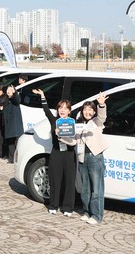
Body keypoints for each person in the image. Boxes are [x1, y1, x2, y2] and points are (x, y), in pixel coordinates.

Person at [32, 88, 77, 216]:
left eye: (65, 108)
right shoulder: (54, 121)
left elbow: (77, 138)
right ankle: (53, 205)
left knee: (69, 181)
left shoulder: (73, 123)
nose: (62, 110)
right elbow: (46, 111)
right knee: (55, 180)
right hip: (56, 153)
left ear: (69, 111)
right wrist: (42, 96)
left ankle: (67, 208)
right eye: (60, 108)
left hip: (69, 154)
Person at [76, 93, 109, 225]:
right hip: (82, 158)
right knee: (85, 189)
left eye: (90, 109)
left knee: (97, 188)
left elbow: (102, 116)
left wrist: (101, 104)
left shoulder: (96, 122)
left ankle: (96, 215)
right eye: (85, 109)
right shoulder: (78, 124)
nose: (87, 112)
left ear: (94, 111)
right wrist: (61, 135)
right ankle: (87, 211)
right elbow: (74, 141)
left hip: (95, 157)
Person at [2, 84, 23, 163]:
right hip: (8, 123)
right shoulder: (5, 100)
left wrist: (14, 93)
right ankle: (11, 158)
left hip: (15, 124)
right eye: (8, 90)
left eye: (10, 90)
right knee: (10, 142)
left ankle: (17, 158)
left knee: (16, 142)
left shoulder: (15, 99)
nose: (8, 91)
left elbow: (17, 100)